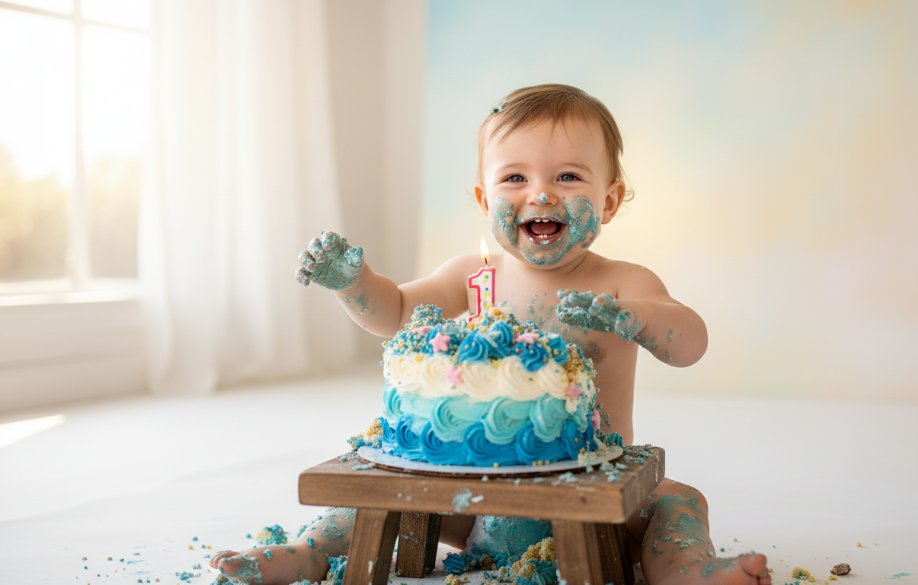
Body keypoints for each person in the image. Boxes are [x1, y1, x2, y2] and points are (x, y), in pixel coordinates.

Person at [211, 84, 771, 585]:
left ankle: (684, 571)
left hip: (592, 494)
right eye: (515, 177)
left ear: (609, 200)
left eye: (568, 176)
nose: (542, 194)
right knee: (372, 500)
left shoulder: (623, 283)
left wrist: (639, 319)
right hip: (473, 495)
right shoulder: (469, 277)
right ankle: (307, 555)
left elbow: (691, 344)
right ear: (484, 200)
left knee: (678, 501)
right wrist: (351, 282)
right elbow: (396, 313)